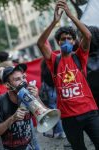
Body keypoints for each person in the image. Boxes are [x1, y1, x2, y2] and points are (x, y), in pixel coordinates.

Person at [37, 0, 99, 150]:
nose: (66, 41)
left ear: (74, 41)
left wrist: (70, 15)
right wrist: (54, 22)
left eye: (69, 38)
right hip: (68, 118)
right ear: (58, 42)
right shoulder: (53, 60)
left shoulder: (80, 56)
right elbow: (40, 43)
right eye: (63, 39)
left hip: (90, 112)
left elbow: (88, 35)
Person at [0, 63, 40, 150]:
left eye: (23, 78)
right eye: (17, 79)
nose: (23, 82)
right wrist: (13, 118)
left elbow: (43, 115)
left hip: (29, 146)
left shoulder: (28, 96)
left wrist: (37, 98)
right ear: (7, 85)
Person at [40, 59, 66, 139]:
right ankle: (64, 130)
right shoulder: (55, 68)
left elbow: (42, 82)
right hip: (57, 90)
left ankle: (60, 132)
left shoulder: (43, 71)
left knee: (54, 112)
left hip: (49, 93)